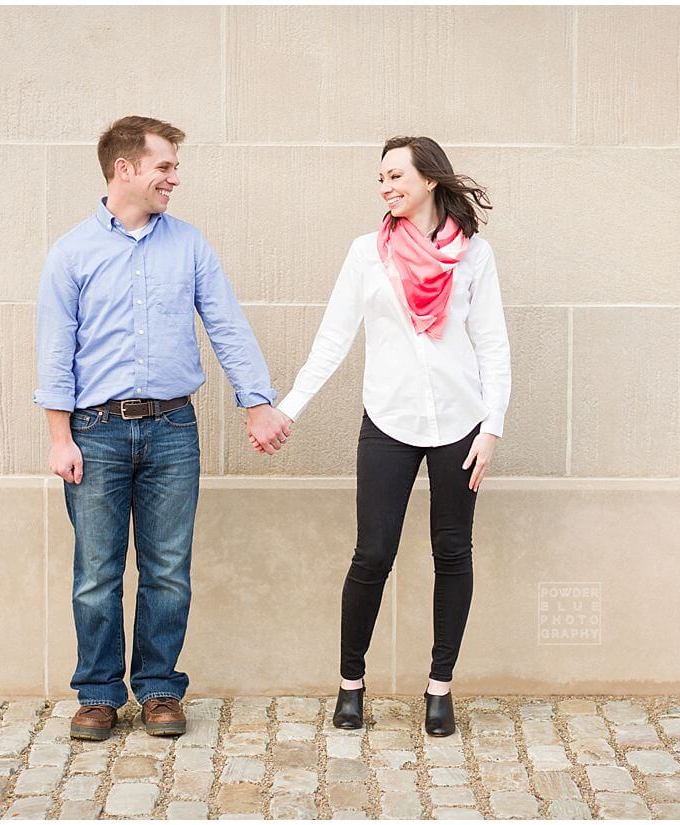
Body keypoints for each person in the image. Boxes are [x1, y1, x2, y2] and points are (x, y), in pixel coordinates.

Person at [34, 115, 293, 741]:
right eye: (165, 167)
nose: (174, 178)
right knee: (97, 572)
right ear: (126, 169)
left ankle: (157, 690)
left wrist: (258, 402)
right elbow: (54, 351)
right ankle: (97, 694)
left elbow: (226, 325)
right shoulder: (71, 253)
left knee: (168, 568)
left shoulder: (190, 245)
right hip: (95, 431)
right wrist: (59, 437)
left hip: (174, 429)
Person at [270, 136, 510, 737]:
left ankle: (440, 688)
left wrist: (493, 426)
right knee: (373, 552)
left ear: (430, 178)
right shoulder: (365, 254)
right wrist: (288, 409)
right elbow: (334, 339)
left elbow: (493, 346)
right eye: (380, 178)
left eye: (395, 175)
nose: (385, 186)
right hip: (388, 420)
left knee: (452, 552)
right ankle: (351, 684)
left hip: (461, 423)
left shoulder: (474, 256)